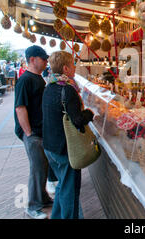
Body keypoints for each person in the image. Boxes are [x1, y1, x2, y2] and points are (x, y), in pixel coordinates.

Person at [42, 51, 94, 219]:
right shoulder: (68, 90)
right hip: (65, 149)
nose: (74, 68)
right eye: (73, 65)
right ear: (65, 68)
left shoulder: (49, 86)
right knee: (70, 192)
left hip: (50, 147)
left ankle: (57, 216)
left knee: (62, 186)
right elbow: (78, 120)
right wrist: (90, 114)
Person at [14, 45, 53, 219]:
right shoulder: (25, 80)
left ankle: (42, 198)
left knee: (43, 166)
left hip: (40, 130)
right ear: (32, 59)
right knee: (37, 168)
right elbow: (20, 108)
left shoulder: (37, 78)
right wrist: (28, 133)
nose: (46, 62)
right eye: (43, 59)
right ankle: (32, 206)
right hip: (33, 133)